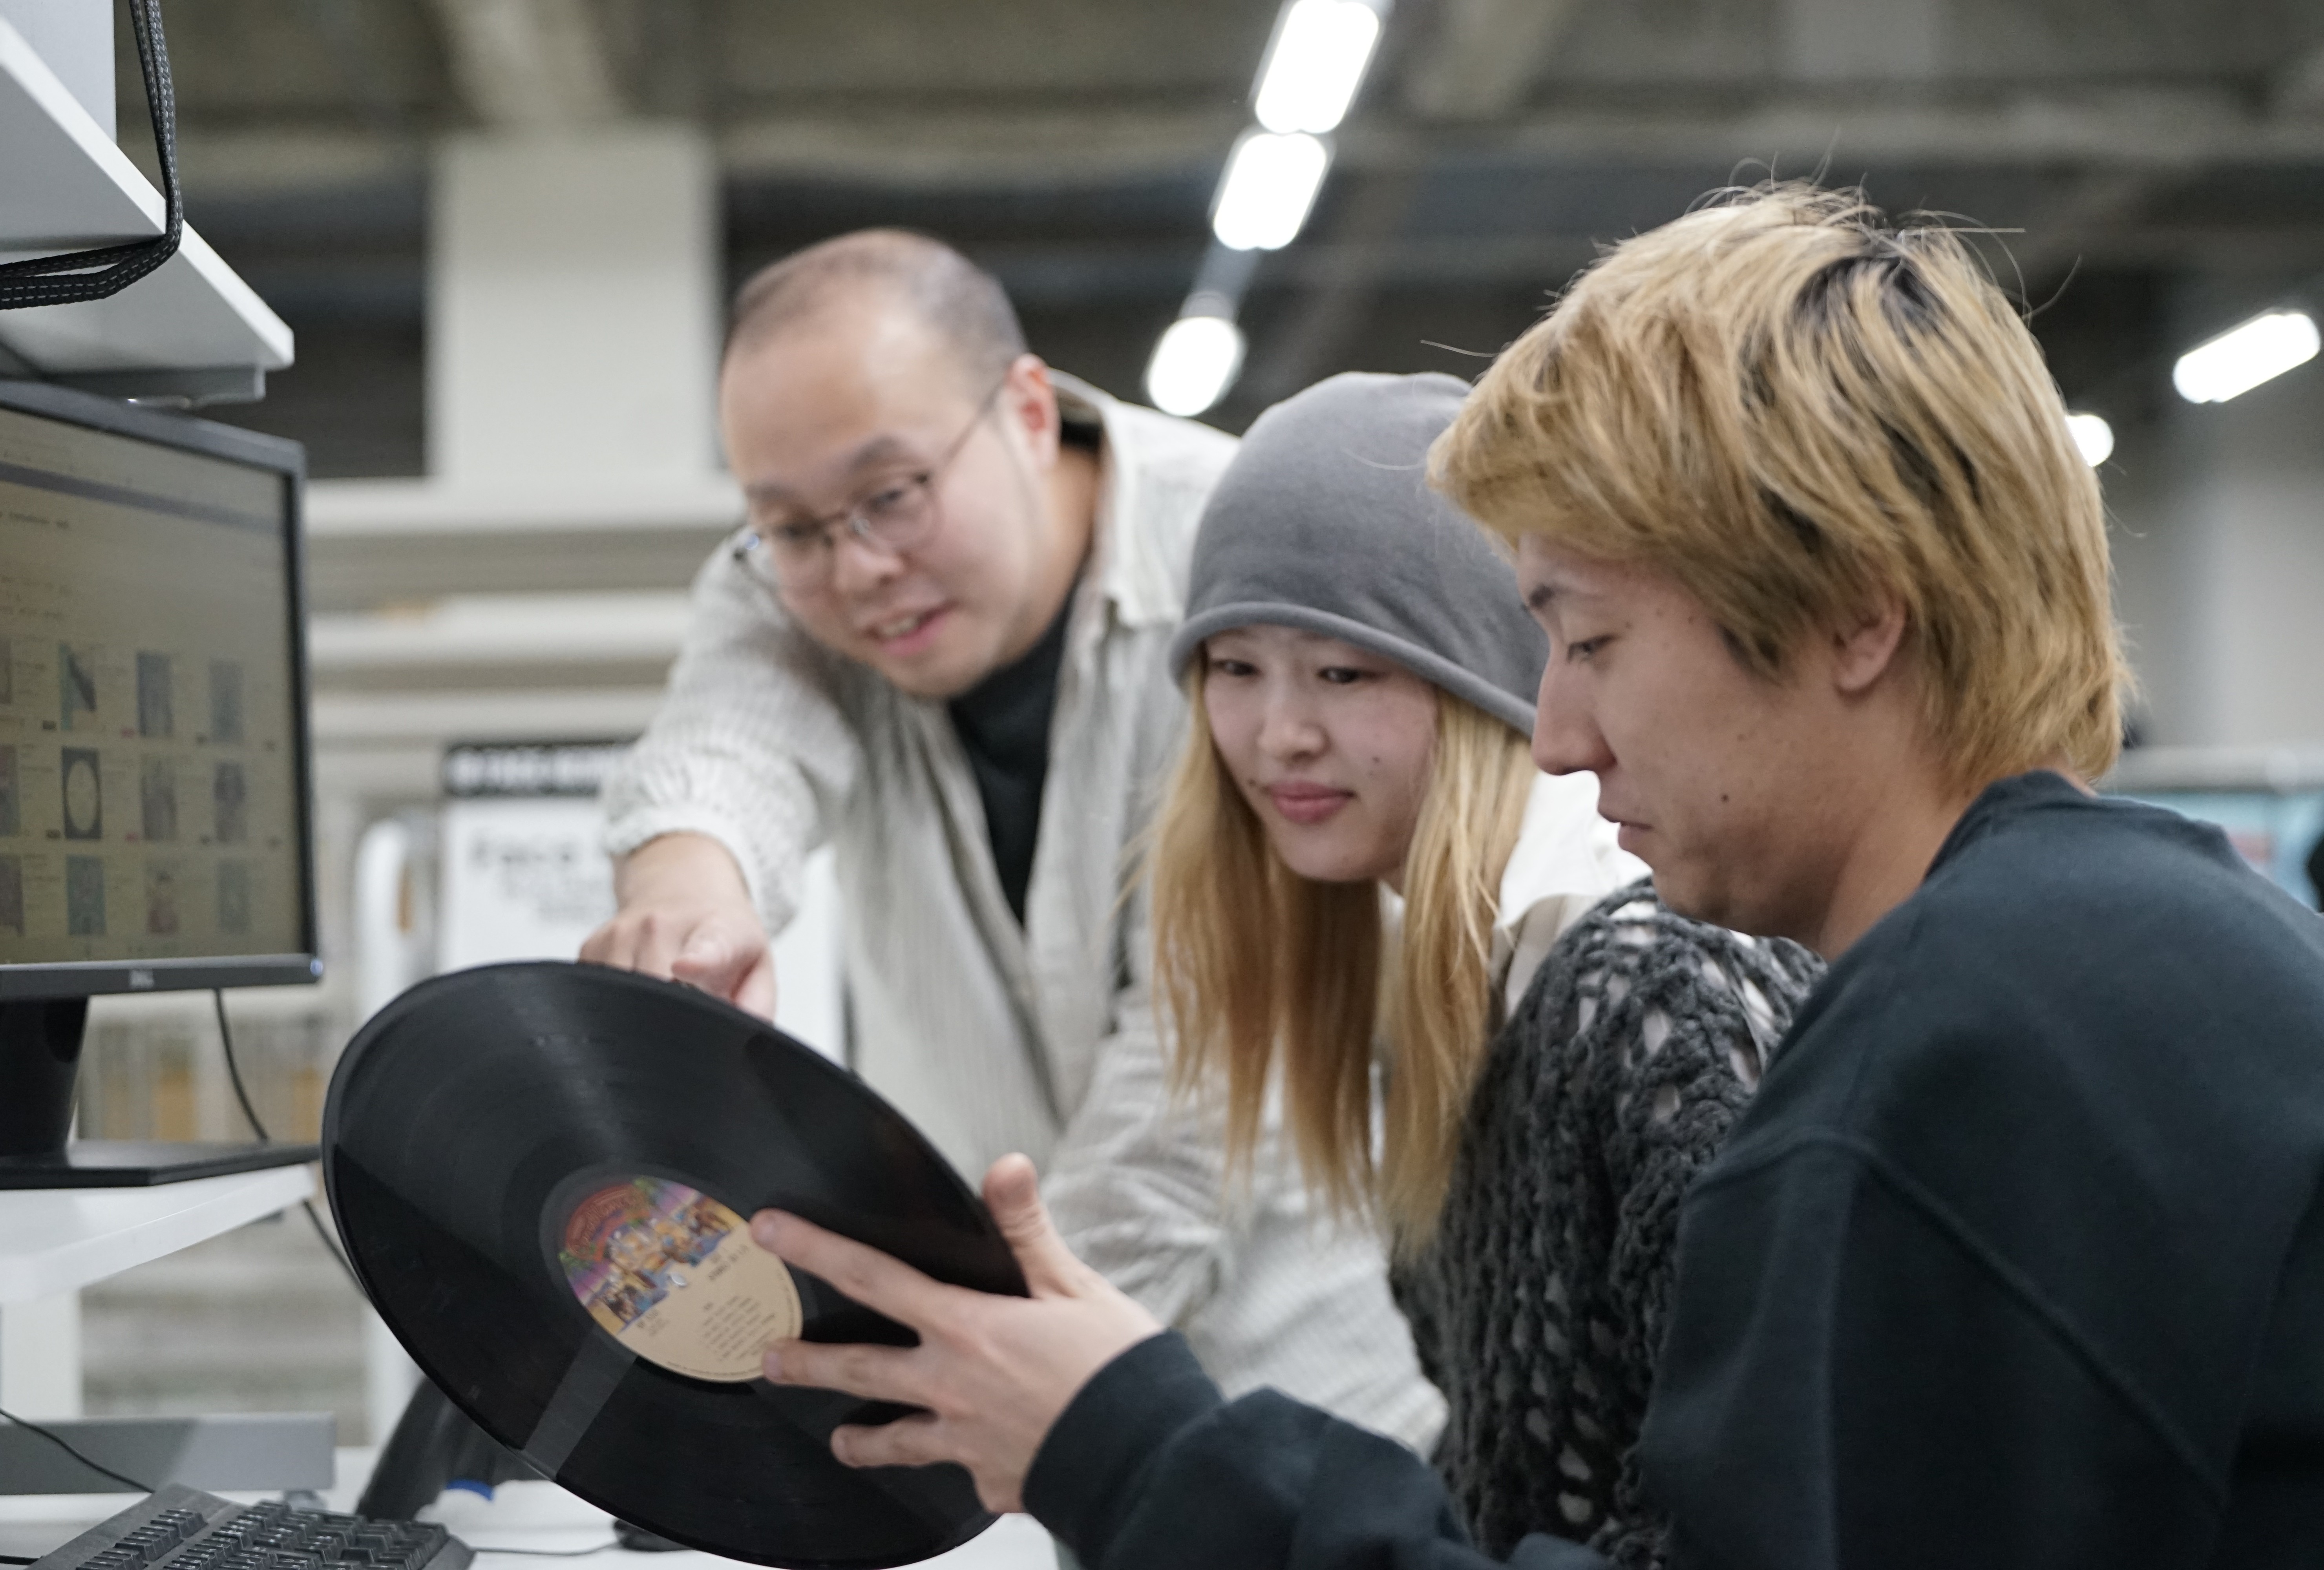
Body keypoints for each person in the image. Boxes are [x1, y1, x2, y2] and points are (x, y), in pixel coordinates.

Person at [742, 185, 2324, 1569]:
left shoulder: (1951, 1046)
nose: (1554, 733)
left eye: (1591, 640)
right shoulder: (2121, 961)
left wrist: (1134, 1442)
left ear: (1855, 615)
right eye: (1234, 671)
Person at [582, 231, 1443, 1447]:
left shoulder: (1236, 566)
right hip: (1009, 1409)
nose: (858, 568)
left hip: (1314, 1399)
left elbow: (1192, 1091)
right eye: (795, 527)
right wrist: (689, 891)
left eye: (893, 496)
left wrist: (965, 1373)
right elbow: (727, 746)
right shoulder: (784, 583)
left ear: (1030, 412)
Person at [1144, 370, 1820, 1561]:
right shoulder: (1445, 976)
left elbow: (1762, 1516)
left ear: (1481, 682)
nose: (1278, 734)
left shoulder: (1645, 980)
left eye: (1344, 673)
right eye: (1234, 669)